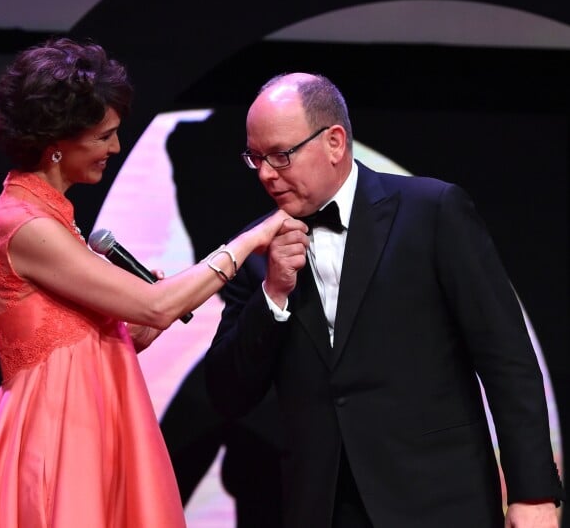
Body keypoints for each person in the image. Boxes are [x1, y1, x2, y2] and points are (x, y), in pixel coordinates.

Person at [205, 72, 565, 528]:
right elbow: (227, 394)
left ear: (335, 141)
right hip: (323, 507)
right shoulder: (254, 251)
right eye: (255, 158)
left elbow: (506, 358)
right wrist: (273, 294)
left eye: (280, 155)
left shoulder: (432, 212)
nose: (265, 174)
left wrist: (532, 492)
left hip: (438, 500)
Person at [0, 38, 291, 528]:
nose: (115, 147)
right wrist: (250, 239)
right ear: (58, 144)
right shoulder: (25, 225)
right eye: (104, 135)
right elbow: (152, 306)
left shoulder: (53, 219)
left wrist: (136, 328)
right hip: (58, 431)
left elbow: (107, 334)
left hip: (92, 420)